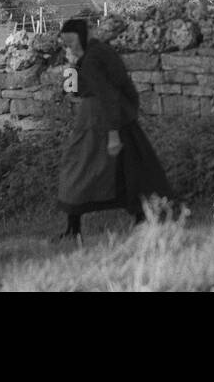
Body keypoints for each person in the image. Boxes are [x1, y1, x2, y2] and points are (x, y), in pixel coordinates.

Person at [56, 18, 174, 240]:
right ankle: (141, 218)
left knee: (78, 170)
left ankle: (75, 230)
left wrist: (112, 133)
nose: (68, 48)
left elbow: (107, 95)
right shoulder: (96, 53)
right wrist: (73, 66)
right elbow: (76, 90)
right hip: (111, 117)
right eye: (66, 44)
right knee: (130, 169)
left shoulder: (93, 59)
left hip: (101, 120)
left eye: (70, 43)